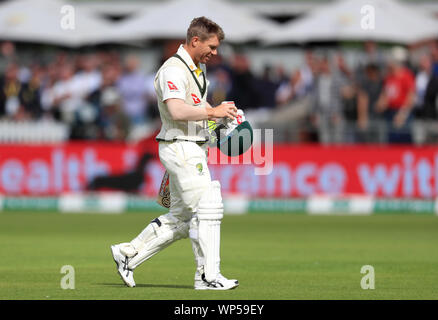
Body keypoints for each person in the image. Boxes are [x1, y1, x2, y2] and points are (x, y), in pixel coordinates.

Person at [110, 16, 240, 290]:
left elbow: (195, 110)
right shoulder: (173, 69)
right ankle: (207, 276)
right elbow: (176, 111)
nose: (215, 53)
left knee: (181, 219)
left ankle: (128, 254)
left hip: (191, 146)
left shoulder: (196, 68)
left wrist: (220, 120)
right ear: (195, 41)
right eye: (212, 47)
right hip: (180, 147)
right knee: (208, 206)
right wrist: (212, 111)